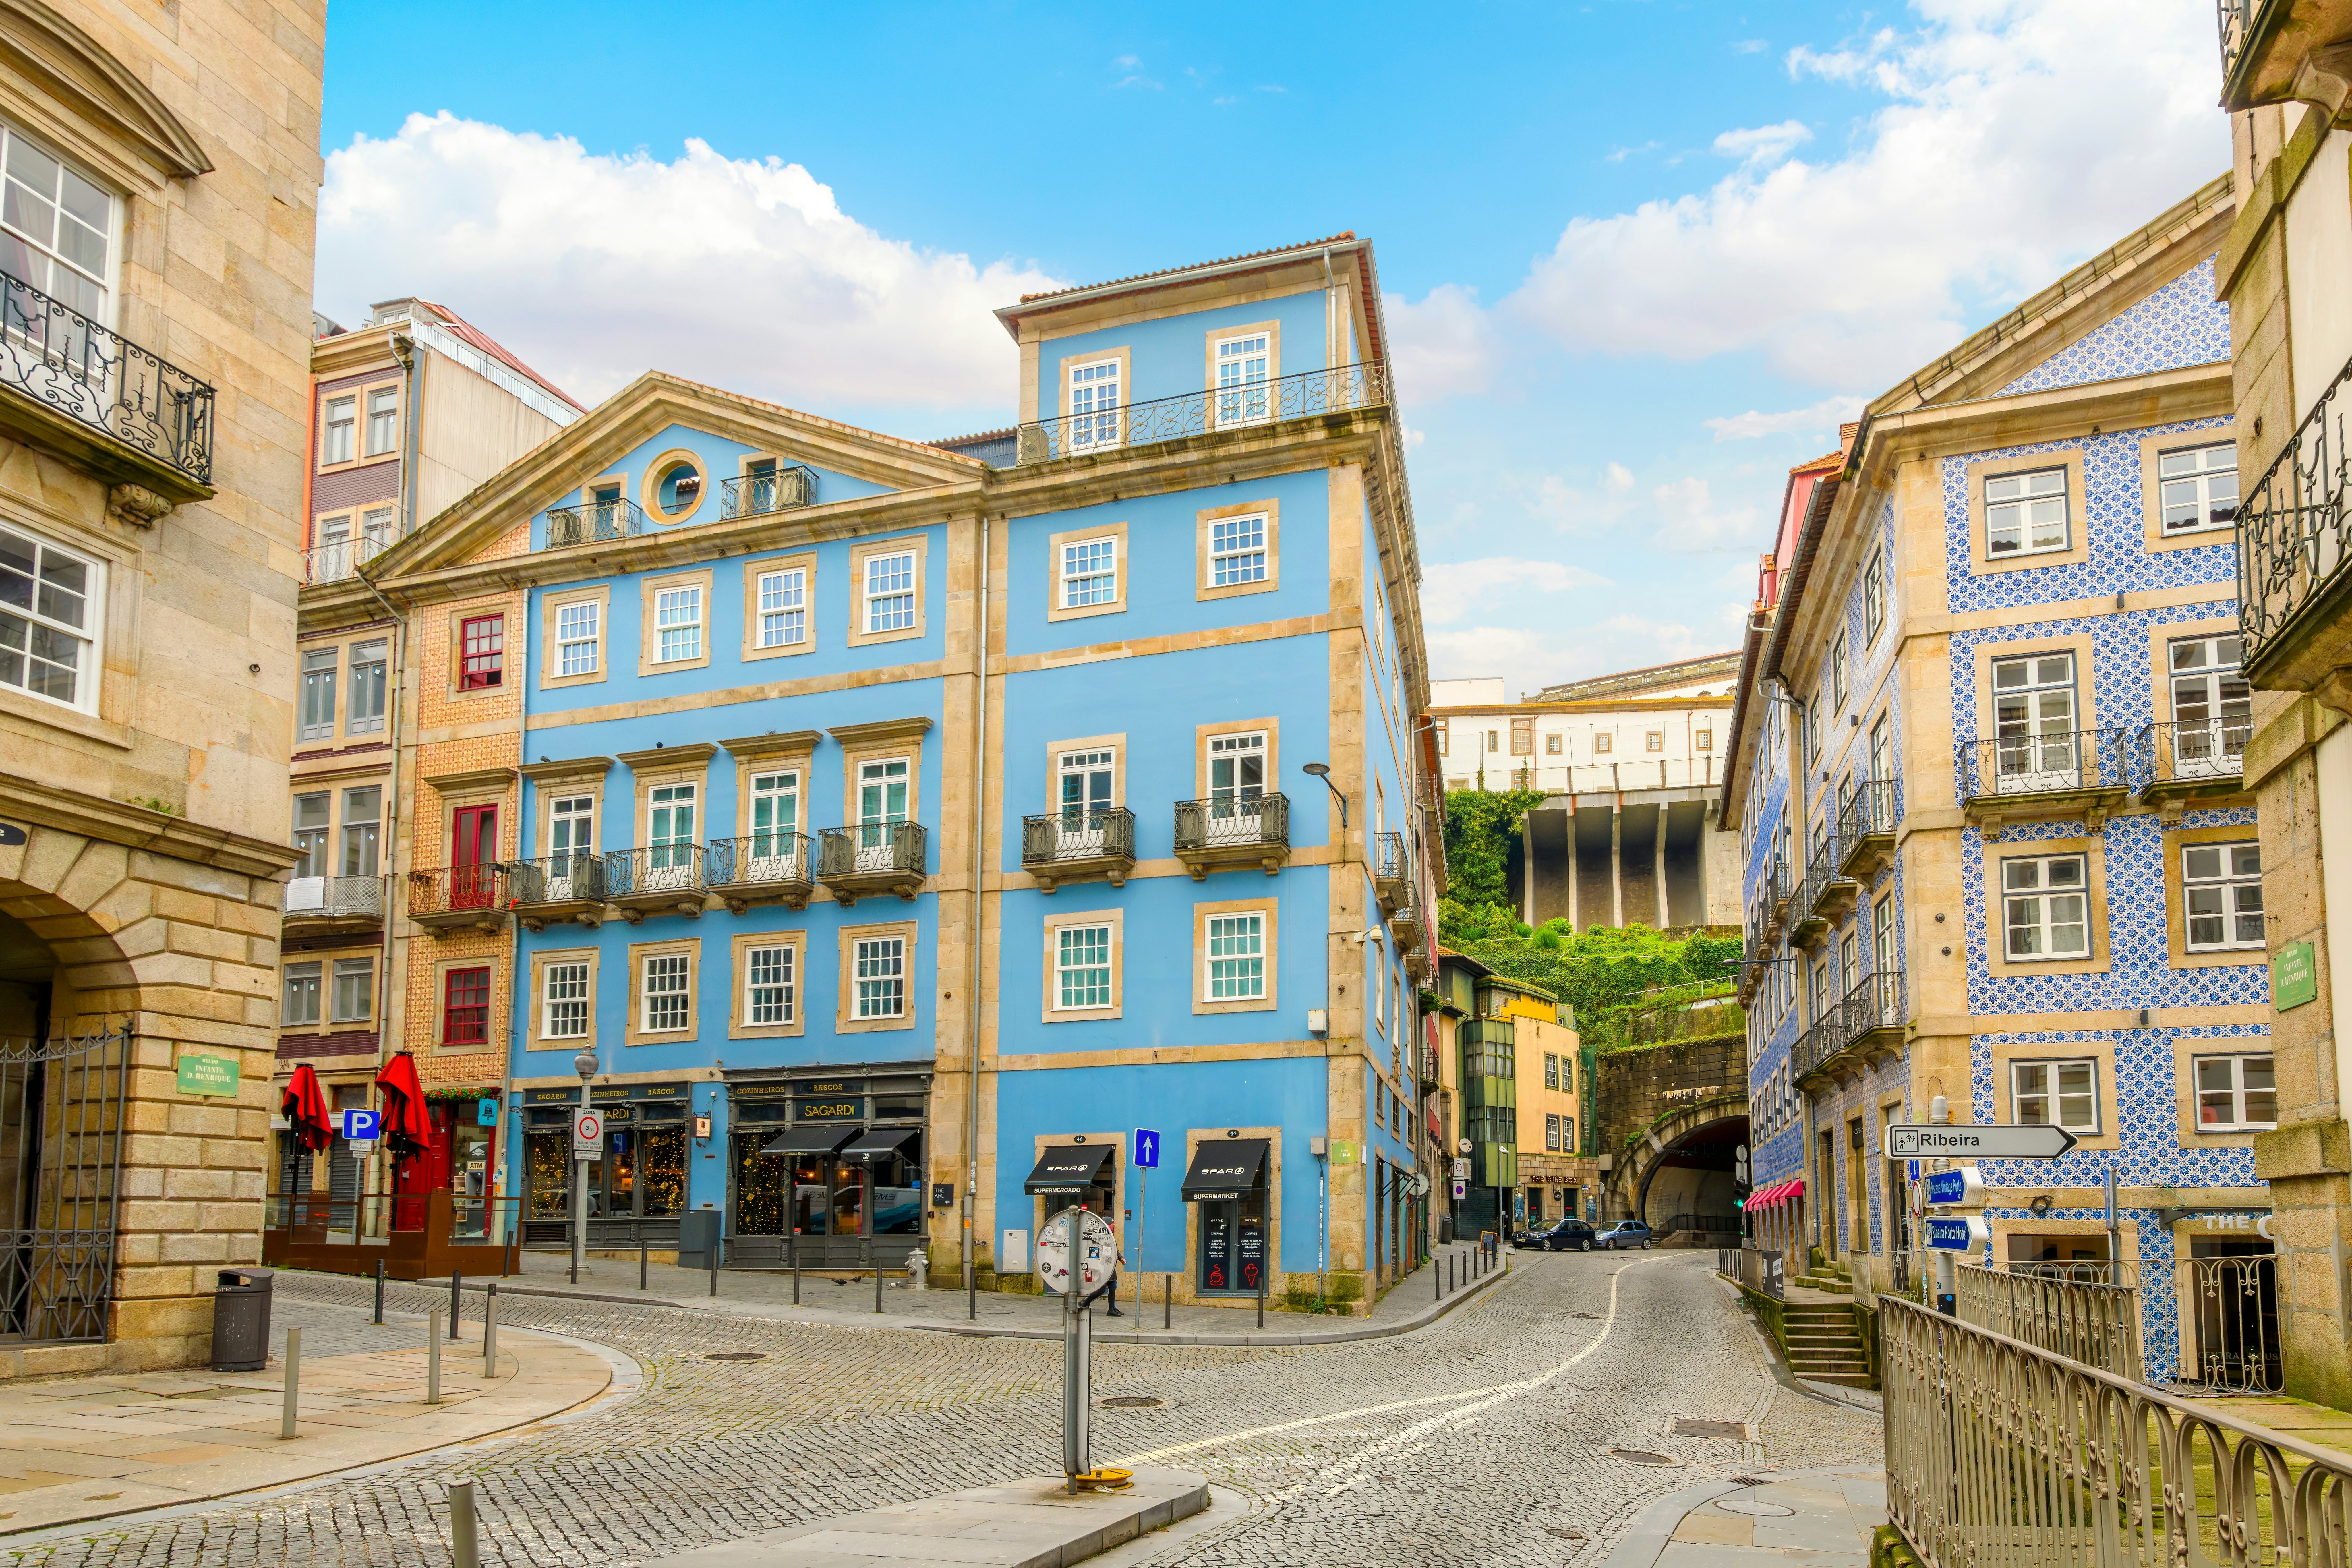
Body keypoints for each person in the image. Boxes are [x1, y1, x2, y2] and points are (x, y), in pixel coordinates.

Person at [1078, 1195, 1124, 1317]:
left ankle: (1112, 1310)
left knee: (1113, 1288)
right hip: (1104, 1266)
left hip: (1110, 1264)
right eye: (1113, 1225)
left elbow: (1113, 1249)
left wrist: (1120, 1258)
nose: (1114, 1227)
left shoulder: (1109, 1235)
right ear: (1108, 1225)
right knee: (1102, 1289)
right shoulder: (1101, 1236)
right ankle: (1085, 1302)